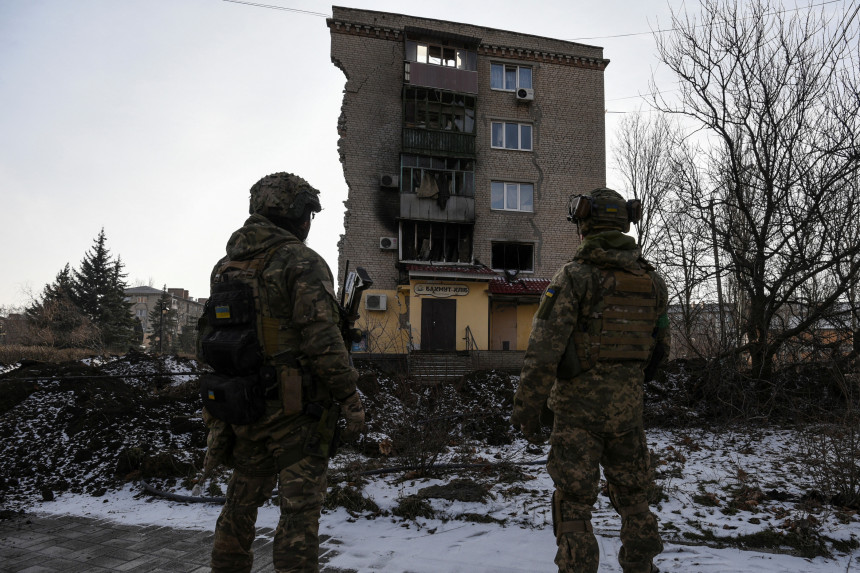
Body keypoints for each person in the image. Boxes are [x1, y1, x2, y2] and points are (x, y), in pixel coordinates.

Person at [199, 172, 365, 573]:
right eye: (308, 213)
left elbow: (210, 340)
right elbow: (322, 340)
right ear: (294, 214)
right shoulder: (301, 261)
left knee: (239, 504)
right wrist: (350, 398)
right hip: (295, 415)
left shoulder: (225, 266)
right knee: (298, 515)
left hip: (244, 406)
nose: (308, 223)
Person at [510, 187, 670, 573]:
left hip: (576, 416)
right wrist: (626, 385)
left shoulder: (574, 277)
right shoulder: (653, 282)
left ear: (585, 224)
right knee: (635, 499)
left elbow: (543, 352)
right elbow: (660, 350)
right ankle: (642, 566)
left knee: (574, 505)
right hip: (627, 416)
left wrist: (526, 410)